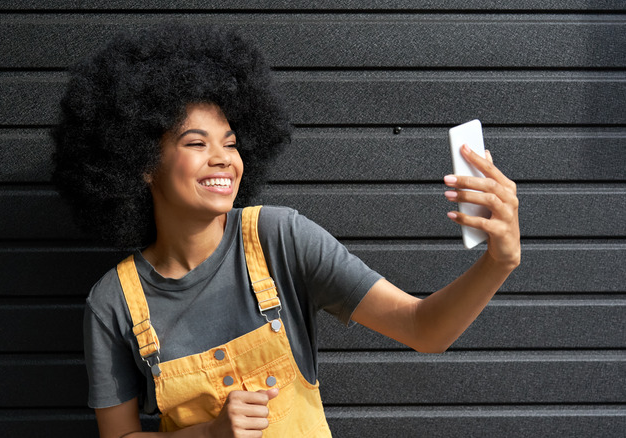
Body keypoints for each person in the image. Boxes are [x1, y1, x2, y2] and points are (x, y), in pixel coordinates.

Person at [52, 22, 520, 438]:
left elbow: (425, 330)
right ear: (140, 165)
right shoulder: (113, 303)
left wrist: (498, 262)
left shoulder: (279, 239)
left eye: (231, 143)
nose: (223, 158)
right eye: (196, 142)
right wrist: (210, 435)